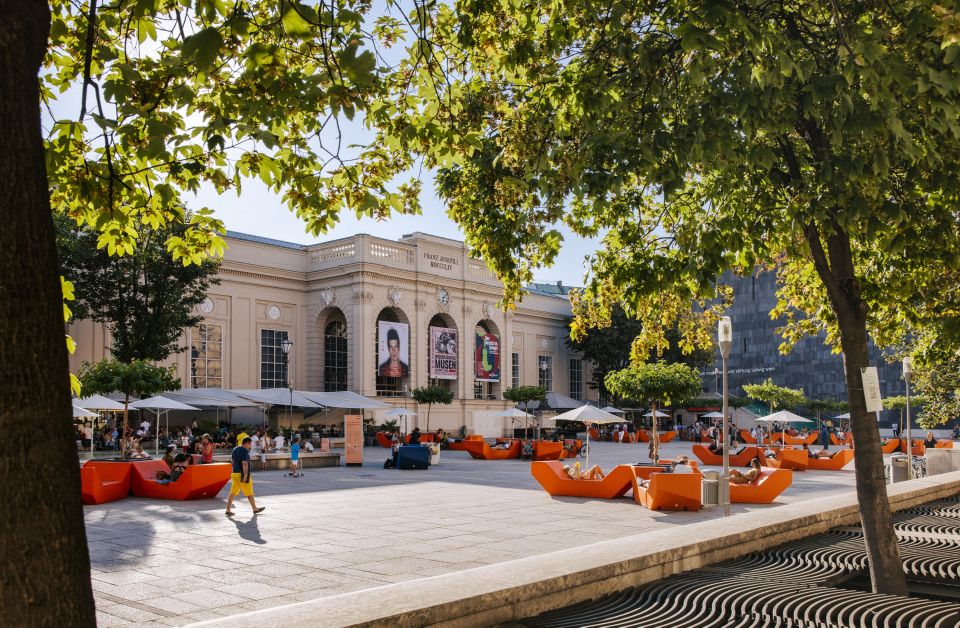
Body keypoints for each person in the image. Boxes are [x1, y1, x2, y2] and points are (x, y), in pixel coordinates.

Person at [226, 437, 264, 516]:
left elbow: (232, 460)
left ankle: (228, 509)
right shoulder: (244, 450)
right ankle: (254, 508)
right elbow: (245, 463)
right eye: (250, 444)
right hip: (241, 474)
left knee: (232, 492)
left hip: (234, 473)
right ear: (246, 443)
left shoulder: (235, 449)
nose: (250, 446)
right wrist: (246, 474)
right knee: (249, 492)